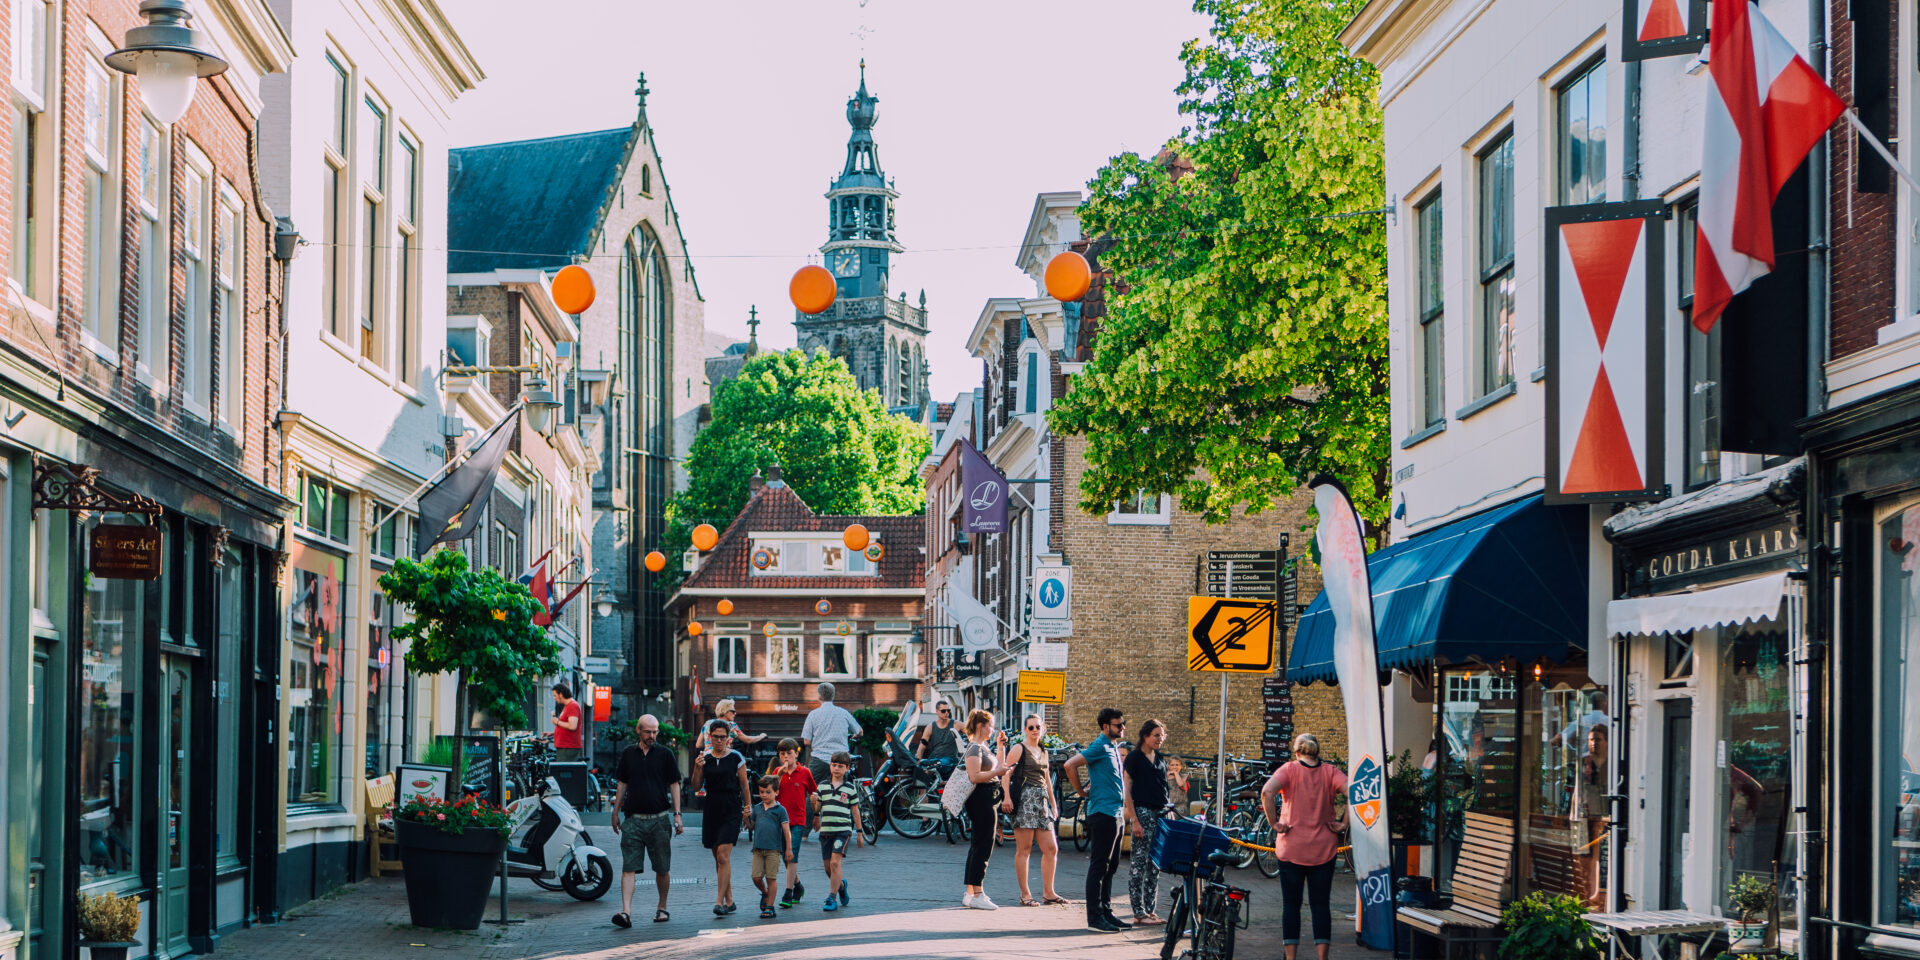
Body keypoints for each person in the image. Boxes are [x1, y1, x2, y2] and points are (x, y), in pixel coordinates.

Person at [1260, 733, 1348, 960]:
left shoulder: (1289, 770)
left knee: (1291, 905)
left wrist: (1274, 823)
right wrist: (1344, 823)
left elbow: (1267, 792)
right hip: (1324, 849)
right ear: (1317, 751)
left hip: (1292, 848)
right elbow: (1354, 792)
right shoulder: (1330, 772)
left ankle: (1290, 958)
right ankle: (1322, 957)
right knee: (1321, 905)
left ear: (1296, 751)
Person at [610, 714, 682, 928]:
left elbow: (674, 784)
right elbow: (622, 784)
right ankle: (626, 913)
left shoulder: (665, 754)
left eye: (655, 732)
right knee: (628, 867)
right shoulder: (627, 754)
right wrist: (615, 812)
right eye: (648, 732)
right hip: (632, 820)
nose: (652, 736)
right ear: (638, 731)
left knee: (662, 868)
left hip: (659, 819)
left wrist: (677, 814)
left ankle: (662, 907)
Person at [1064, 707, 1132, 932]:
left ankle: (1106, 912)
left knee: (1111, 867)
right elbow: (1069, 765)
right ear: (1106, 727)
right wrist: (1082, 792)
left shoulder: (1113, 747)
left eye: (1123, 723)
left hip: (1115, 813)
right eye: (1118, 724)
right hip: (1102, 813)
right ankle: (1094, 918)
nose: (1123, 727)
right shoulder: (1099, 746)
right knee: (1099, 866)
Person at [690, 719, 752, 916]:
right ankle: (730, 900)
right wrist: (697, 768)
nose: (719, 740)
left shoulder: (736, 757)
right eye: (715, 737)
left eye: (722, 737)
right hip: (711, 808)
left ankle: (718, 902)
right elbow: (695, 787)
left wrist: (747, 808)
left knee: (724, 856)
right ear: (710, 737)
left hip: (731, 808)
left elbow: (744, 785)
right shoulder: (704, 757)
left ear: (728, 738)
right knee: (718, 859)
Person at [1004, 712, 1067, 906]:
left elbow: (1047, 778)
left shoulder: (1044, 750)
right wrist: (1006, 796)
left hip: (1041, 801)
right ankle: (1025, 894)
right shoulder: (1018, 748)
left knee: (1051, 848)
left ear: (1043, 729)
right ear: (1025, 729)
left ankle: (1049, 892)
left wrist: (1053, 804)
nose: (1034, 730)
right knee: (1024, 848)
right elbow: (1006, 772)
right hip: (1024, 799)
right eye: (1030, 727)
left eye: (1037, 727)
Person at [954, 709, 1008, 909]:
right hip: (981, 798)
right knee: (984, 844)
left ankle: (970, 893)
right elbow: (974, 776)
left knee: (979, 843)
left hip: (988, 796)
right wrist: (997, 771)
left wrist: (1001, 748)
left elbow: (998, 769)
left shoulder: (983, 747)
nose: (993, 729)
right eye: (990, 725)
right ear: (980, 726)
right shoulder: (974, 749)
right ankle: (978, 893)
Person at [1124, 718, 1171, 925]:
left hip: (1162, 813)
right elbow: (1127, 789)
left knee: (1155, 864)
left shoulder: (1160, 758)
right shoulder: (1134, 758)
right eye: (1156, 735)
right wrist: (1134, 819)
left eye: (1162, 735)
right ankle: (1138, 912)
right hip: (1143, 812)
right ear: (1145, 736)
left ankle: (1150, 910)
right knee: (1139, 863)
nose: (1160, 739)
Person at [810, 750, 864, 911]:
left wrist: (859, 832)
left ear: (847, 768)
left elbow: (855, 811)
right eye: (834, 765)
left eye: (840, 766)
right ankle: (841, 886)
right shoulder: (822, 786)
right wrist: (814, 805)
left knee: (835, 862)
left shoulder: (849, 789)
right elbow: (818, 808)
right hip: (826, 831)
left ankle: (831, 898)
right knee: (828, 867)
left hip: (843, 831)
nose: (836, 768)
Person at [768, 738, 815, 907]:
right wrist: (779, 775)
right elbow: (770, 794)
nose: (786, 756)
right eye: (783, 753)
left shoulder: (805, 772)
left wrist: (816, 814)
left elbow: (813, 793)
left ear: (796, 753)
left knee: (791, 855)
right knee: (784, 856)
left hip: (797, 820)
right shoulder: (776, 772)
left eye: (789, 753)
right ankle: (798, 886)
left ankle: (787, 893)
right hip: (779, 822)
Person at [799, 683, 863, 788]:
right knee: (841, 793)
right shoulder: (844, 713)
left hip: (819, 760)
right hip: (841, 761)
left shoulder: (813, 714)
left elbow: (806, 741)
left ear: (819, 696)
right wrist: (854, 735)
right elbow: (860, 731)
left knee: (813, 793)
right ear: (833, 696)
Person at [749, 776, 792, 919]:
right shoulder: (757, 808)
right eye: (761, 792)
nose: (764, 795)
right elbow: (751, 826)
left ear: (776, 792)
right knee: (756, 877)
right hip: (758, 849)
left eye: (768, 792)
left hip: (773, 849)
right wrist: (745, 818)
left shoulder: (780, 810)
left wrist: (788, 849)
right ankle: (765, 892)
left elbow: (786, 831)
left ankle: (770, 907)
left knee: (771, 878)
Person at [694, 698, 767, 752]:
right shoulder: (731, 725)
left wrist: (710, 745)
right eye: (733, 711)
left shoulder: (707, 723)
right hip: (723, 759)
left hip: (707, 759)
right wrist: (761, 736)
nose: (735, 714)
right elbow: (748, 740)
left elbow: (698, 745)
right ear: (725, 711)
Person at [912, 699, 963, 775]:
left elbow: (971, 730)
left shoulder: (956, 724)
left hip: (949, 761)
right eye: (943, 711)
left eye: (948, 710)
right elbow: (921, 747)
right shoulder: (930, 727)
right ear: (937, 711)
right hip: (934, 760)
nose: (946, 713)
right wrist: (918, 763)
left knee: (940, 764)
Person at [550, 683, 584, 762]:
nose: (554, 698)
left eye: (555, 695)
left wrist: (557, 721)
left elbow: (572, 726)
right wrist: (552, 733)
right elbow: (566, 726)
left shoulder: (573, 706)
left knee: (563, 771)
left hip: (568, 747)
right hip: (565, 747)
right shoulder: (568, 706)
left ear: (561, 694)